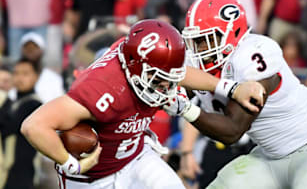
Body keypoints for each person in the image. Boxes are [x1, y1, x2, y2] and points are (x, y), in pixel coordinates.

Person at [20, 19, 265, 189]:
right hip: (92, 178)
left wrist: (231, 88)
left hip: (136, 157)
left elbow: (179, 73)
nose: (166, 88)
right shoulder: (102, 90)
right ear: (134, 68)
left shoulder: (146, 63)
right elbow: (34, 125)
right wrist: (70, 163)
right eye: (159, 80)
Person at [165, 0, 307, 189]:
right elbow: (172, 81)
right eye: (196, 40)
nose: (199, 48)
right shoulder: (201, 61)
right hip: (268, 158)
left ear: (232, 33)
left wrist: (184, 108)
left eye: (206, 39)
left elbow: (232, 130)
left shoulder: (254, 53)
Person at [2, 58, 42, 189]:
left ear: (36, 76)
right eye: (16, 73)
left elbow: (9, 126)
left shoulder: (34, 105)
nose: (19, 78)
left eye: (25, 74)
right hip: (9, 172)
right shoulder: (13, 103)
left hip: (23, 173)